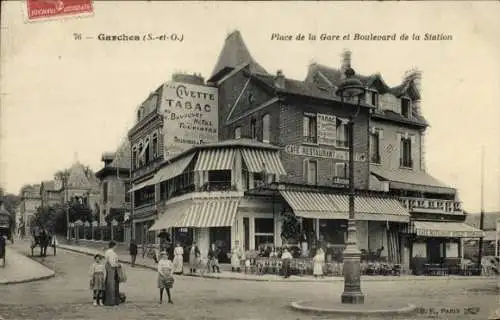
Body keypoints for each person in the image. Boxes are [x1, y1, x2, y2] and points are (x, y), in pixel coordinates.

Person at [103, 241, 120, 306]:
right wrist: (118, 265)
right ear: (113, 246)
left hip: (108, 268)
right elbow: (112, 263)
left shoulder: (107, 252)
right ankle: (111, 301)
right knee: (111, 284)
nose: (116, 247)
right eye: (116, 246)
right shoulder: (112, 253)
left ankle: (109, 300)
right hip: (111, 269)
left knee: (108, 284)